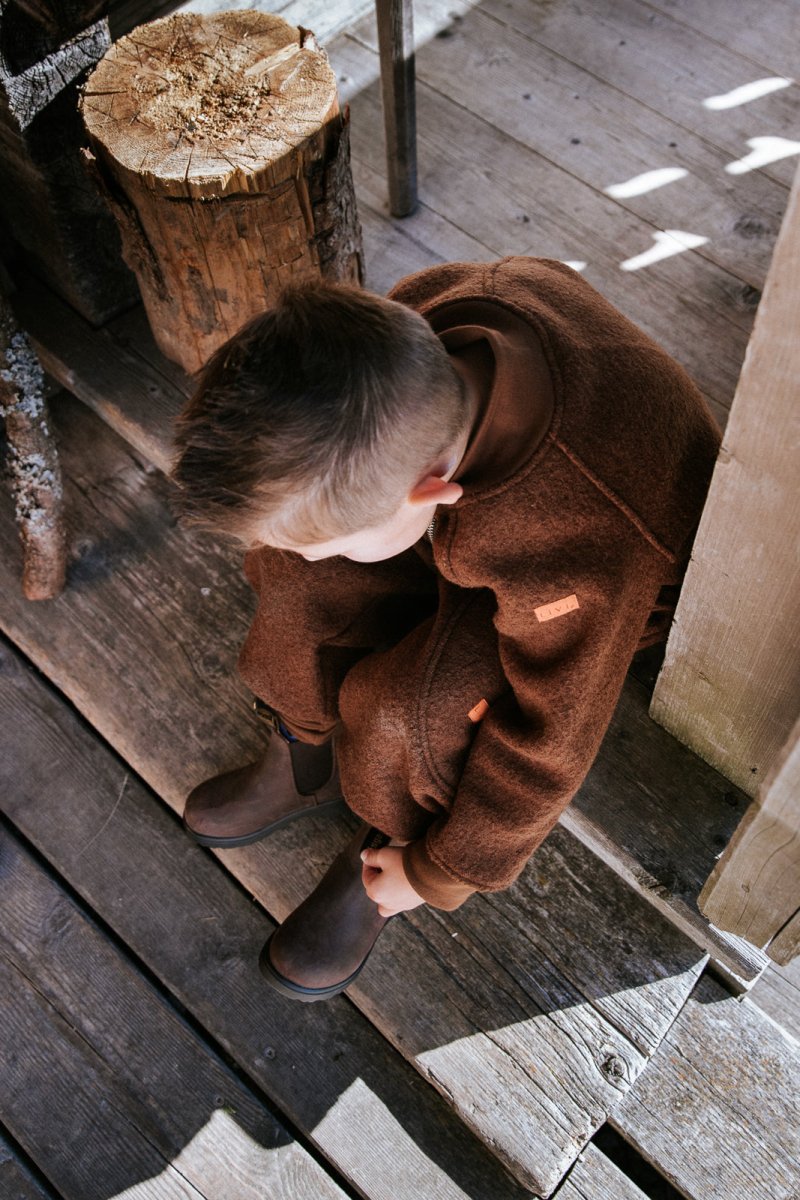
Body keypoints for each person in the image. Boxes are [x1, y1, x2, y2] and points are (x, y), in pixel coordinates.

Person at [170, 255, 721, 1003]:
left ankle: (382, 849)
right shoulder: (410, 334)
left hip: (584, 598)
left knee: (412, 710)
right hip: (463, 527)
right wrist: (316, 550)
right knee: (296, 576)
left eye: (329, 537)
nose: (306, 549)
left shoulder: (583, 530)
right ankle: (305, 756)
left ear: (431, 489)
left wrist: (439, 871)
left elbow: (552, 734)